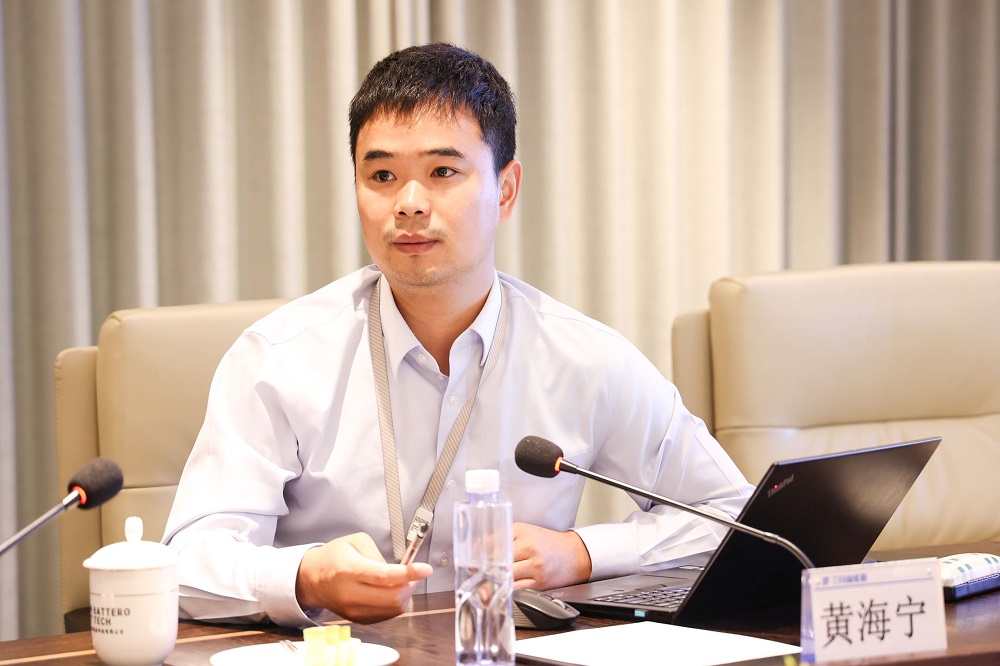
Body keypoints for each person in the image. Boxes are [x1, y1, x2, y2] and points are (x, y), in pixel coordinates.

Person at [162, 42, 753, 628]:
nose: (409, 204)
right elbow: (188, 560)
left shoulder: (583, 358)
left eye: (442, 172)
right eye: (382, 175)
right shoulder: (278, 359)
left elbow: (734, 518)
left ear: (506, 190)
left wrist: (582, 553)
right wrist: (306, 576)